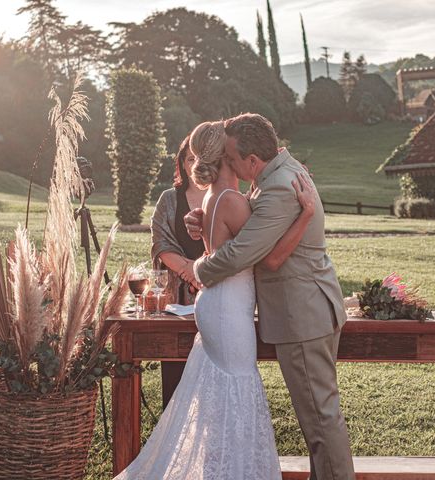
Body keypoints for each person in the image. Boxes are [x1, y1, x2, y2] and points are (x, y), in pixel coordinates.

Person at [113, 120, 317, 480]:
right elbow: (268, 255)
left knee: (220, 400)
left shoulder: (212, 198)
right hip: (227, 311)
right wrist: (306, 215)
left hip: (216, 304)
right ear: (227, 155)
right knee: (234, 396)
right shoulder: (234, 202)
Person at [186, 113, 355, 480]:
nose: (227, 166)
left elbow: (248, 254)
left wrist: (198, 270)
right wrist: (208, 223)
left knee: (321, 420)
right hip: (305, 309)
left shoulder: (278, 186)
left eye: (231, 160)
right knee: (318, 421)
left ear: (251, 160)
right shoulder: (275, 174)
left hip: (302, 314)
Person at [151, 135, 205, 305]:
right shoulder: (168, 199)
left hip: (218, 287)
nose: (197, 164)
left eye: (202, 158)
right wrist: (190, 272)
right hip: (177, 295)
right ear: (182, 163)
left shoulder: (225, 198)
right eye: (191, 159)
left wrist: (201, 271)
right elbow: (161, 244)